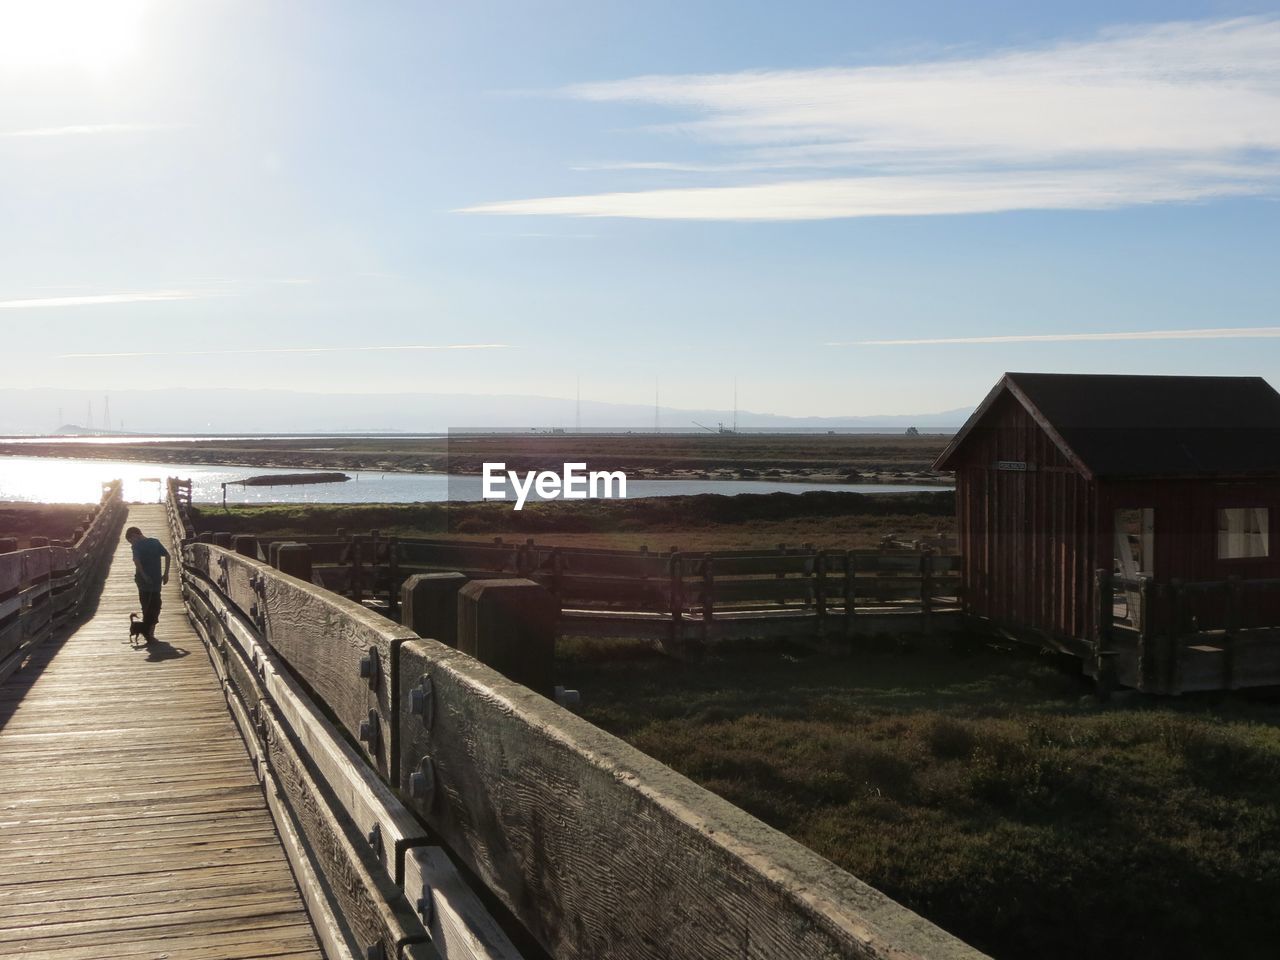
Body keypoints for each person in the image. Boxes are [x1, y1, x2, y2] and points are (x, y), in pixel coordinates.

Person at [126, 526, 170, 644]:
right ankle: (150, 632)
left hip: (143, 581)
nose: (131, 543)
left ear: (135, 535)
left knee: (146, 605)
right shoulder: (155, 542)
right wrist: (166, 574)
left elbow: (136, 561)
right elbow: (167, 555)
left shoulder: (136, 546)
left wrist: (144, 576)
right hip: (156, 580)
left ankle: (149, 633)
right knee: (155, 605)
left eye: (131, 540)